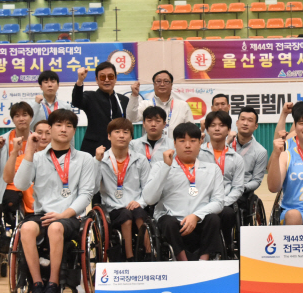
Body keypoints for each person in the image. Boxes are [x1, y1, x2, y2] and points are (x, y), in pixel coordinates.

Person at [14, 109, 95, 293]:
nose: (64, 129)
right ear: (49, 129)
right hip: (41, 214)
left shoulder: (85, 159)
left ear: (74, 130)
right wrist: (29, 152)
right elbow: (21, 184)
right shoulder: (37, 157)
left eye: (69, 126)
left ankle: (53, 283)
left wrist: (63, 215)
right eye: (59, 125)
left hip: (70, 216)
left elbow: (86, 194)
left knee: (56, 227)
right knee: (25, 228)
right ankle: (36, 284)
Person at [143, 123, 224, 261]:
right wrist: (166, 167)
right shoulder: (160, 166)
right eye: (182, 141)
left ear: (200, 142)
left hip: (199, 221)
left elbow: (218, 202)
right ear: (174, 143)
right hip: (172, 222)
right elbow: (149, 199)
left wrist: (196, 216)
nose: (187, 145)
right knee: (169, 223)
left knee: (214, 219)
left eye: (192, 141)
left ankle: (203, 262)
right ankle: (182, 261)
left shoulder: (212, 169)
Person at [94, 118, 151, 262]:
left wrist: (140, 202)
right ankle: (129, 256)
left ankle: (150, 254)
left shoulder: (140, 159)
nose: (121, 135)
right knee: (125, 214)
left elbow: (147, 188)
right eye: (117, 132)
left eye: (126, 132)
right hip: (112, 208)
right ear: (109, 136)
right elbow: (93, 188)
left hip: (135, 204)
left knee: (139, 213)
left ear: (131, 137)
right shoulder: (101, 159)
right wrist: (97, 162)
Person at [198, 111, 245, 255]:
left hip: (224, 202)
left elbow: (237, 188)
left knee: (228, 213)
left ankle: (224, 248)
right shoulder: (197, 154)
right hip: (200, 201)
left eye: (221, 125)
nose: (217, 129)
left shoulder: (236, 158)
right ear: (207, 129)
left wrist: (222, 202)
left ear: (229, 130)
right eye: (213, 125)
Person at [72, 62, 129, 156]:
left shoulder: (124, 100)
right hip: (93, 148)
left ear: (115, 78)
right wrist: (80, 81)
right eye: (102, 77)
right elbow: (76, 101)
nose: (107, 80)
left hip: (119, 149)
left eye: (110, 76)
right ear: (96, 80)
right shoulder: (90, 97)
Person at [0, 102, 34, 218]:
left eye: (25, 115)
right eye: (17, 116)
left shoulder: (37, 139)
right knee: (10, 202)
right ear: (13, 119)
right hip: (10, 184)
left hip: (32, 184)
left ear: (31, 117)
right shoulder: (1, 141)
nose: (21, 119)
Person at [1, 120, 52, 218]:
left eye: (48, 133)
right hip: (32, 212)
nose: (44, 137)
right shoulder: (24, 160)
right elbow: (7, 179)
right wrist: (15, 151)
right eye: (40, 133)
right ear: (33, 135)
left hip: (57, 210)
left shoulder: (62, 160)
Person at [126, 70, 192, 139]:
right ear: (154, 85)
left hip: (175, 148)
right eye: (158, 81)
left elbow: (190, 129)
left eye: (166, 81)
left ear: (171, 85)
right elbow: (131, 118)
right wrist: (134, 95)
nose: (162, 84)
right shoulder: (146, 104)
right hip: (151, 148)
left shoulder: (182, 105)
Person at [230, 107, 268, 213]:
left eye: (250, 120)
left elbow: (257, 180)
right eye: (242, 119)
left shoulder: (261, 151)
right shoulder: (226, 145)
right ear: (237, 123)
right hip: (222, 188)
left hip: (243, 192)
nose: (245, 123)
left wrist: (241, 187)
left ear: (256, 126)